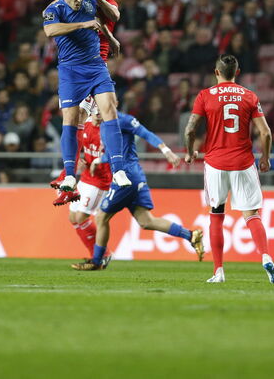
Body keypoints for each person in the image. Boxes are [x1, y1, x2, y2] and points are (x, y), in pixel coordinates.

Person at [182, 54, 274, 284]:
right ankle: (266, 256)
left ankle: (219, 271)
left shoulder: (205, 96)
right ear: (237, 73)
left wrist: (189, 152)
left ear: (216, 72)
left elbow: (189, 130)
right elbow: (265, 132)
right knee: (252, 215)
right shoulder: (249, 96)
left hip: (215, 164)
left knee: (216, 216)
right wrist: (265, 158)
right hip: (243, 163)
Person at [71, 111, 200, 271]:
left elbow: (146, 133)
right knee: (147, 221)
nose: (97, 111)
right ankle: (191, 235)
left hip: (126, 176)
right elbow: (114, 153)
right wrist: (99, 159)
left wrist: (166, 152)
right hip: (135, 175)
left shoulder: (123, 120)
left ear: (113, 103)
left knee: (101, 217)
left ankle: (97, 261)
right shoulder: (104, 125)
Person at [42, 0, 128, 203]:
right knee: (71, 120)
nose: (80, 0)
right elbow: (50, 31)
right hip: (71, 72)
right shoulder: (53, 9)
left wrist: (111, 38)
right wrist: (82, 23)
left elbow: (104, 20)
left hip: (96, 66)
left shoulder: (91, 1)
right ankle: (69, 176)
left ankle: (118, 168)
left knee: (109, 110)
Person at [55, 101, 113, 262]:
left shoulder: (108, 130)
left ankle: (103, 254)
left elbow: (116, 152)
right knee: (72, 217)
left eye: (102, 110)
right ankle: (94, 253)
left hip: (101, 181)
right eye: (97, 109)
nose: (99, 113)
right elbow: (76, 142)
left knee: (81, 217)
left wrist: (100, 160)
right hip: (86, 177)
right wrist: (78, 157)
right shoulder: (85, 125)